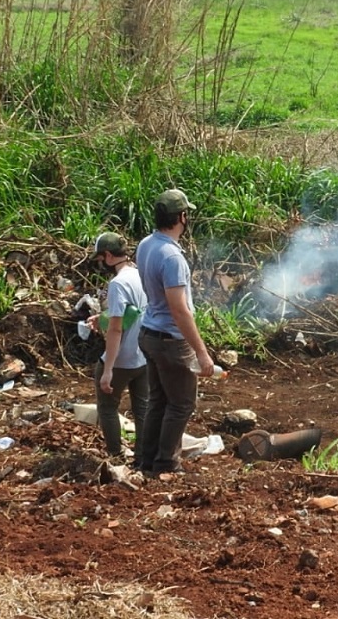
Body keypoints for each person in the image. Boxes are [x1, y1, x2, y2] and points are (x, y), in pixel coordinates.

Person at [135, 188, 218, 475]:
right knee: (181, 404)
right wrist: (201, 352)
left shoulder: (146, 244)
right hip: (170, 339)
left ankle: (147, 460)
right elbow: (179, 310)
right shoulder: (172, 258)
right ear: (182, 217)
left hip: (148, 333)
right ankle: (166, 464)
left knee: (158, 400)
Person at [87, 232, 149, 462]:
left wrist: (108, 369)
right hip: (143, 356)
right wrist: (101, 318)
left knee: (107, 408)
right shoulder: (140, 275)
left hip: (122, 359)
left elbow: (116, 329)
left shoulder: (117, 284)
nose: (101, 264)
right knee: (142, 409)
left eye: (101, 259)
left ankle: (115, 455)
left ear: (109, 256)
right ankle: (143, 456)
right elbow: (133, 313)